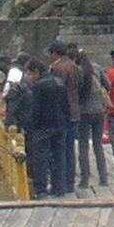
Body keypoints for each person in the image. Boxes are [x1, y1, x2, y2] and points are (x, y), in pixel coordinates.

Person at [25, 58, 68, 197]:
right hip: (60, 124)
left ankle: (40, 189)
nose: (29, 77)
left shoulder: (38, 87)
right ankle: (59, 187)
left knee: (40, 158)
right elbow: (66, 105)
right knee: (59, 157)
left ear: (36, 72)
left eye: (30, 73)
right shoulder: (60, 82)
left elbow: (35, 110)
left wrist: (31, 125)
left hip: (43, 127)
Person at [47, 40, 81, 195]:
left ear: (54, 53)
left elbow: (56, 91)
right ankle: (70, 182)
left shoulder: (58, 68)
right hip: (74, 111)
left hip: (63, 112)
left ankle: (60, 183)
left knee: (59, 150)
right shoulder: (74, 66)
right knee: (70, 149)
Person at [74, 47, 110, 189]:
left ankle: (85, 179)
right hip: (99, 111)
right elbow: (108, 85)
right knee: (97, 145)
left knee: (83, 146)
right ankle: (103, 178)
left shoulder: (77, 71)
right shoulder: (97, 68)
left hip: (84, 112)